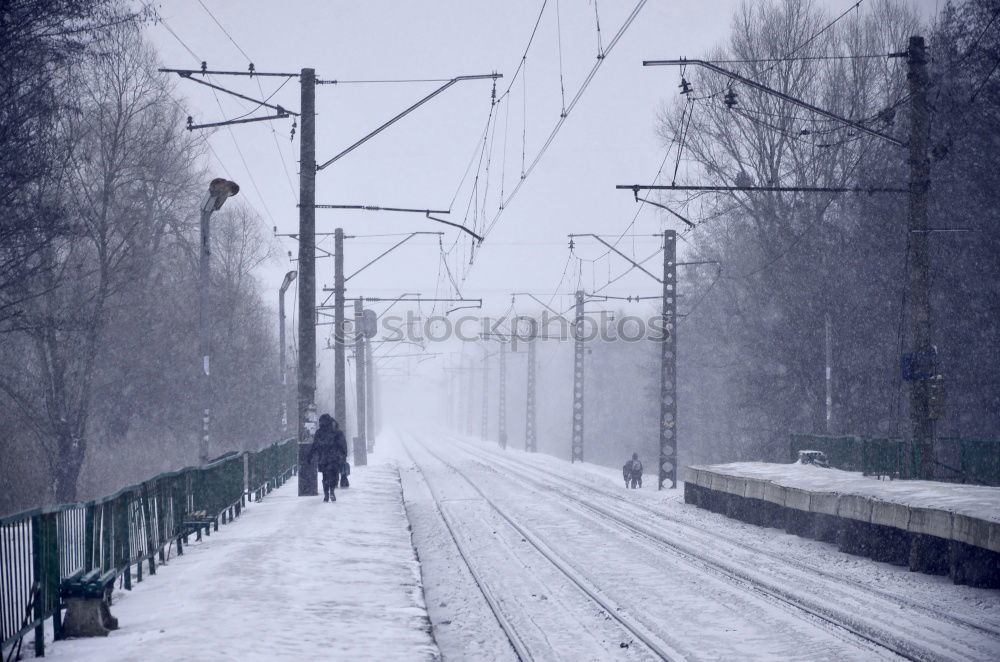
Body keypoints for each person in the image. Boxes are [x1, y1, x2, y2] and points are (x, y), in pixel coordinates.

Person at [307, 414, 348, 501]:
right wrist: (344, 455)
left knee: (325, 476)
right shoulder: (336, 431)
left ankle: (326, 495)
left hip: (323, 458)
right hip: (334, 458)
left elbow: (315, 445)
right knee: (334, 476)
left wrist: (310, 455)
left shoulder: (319, 432)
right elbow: (342, 445)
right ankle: (332, 491)